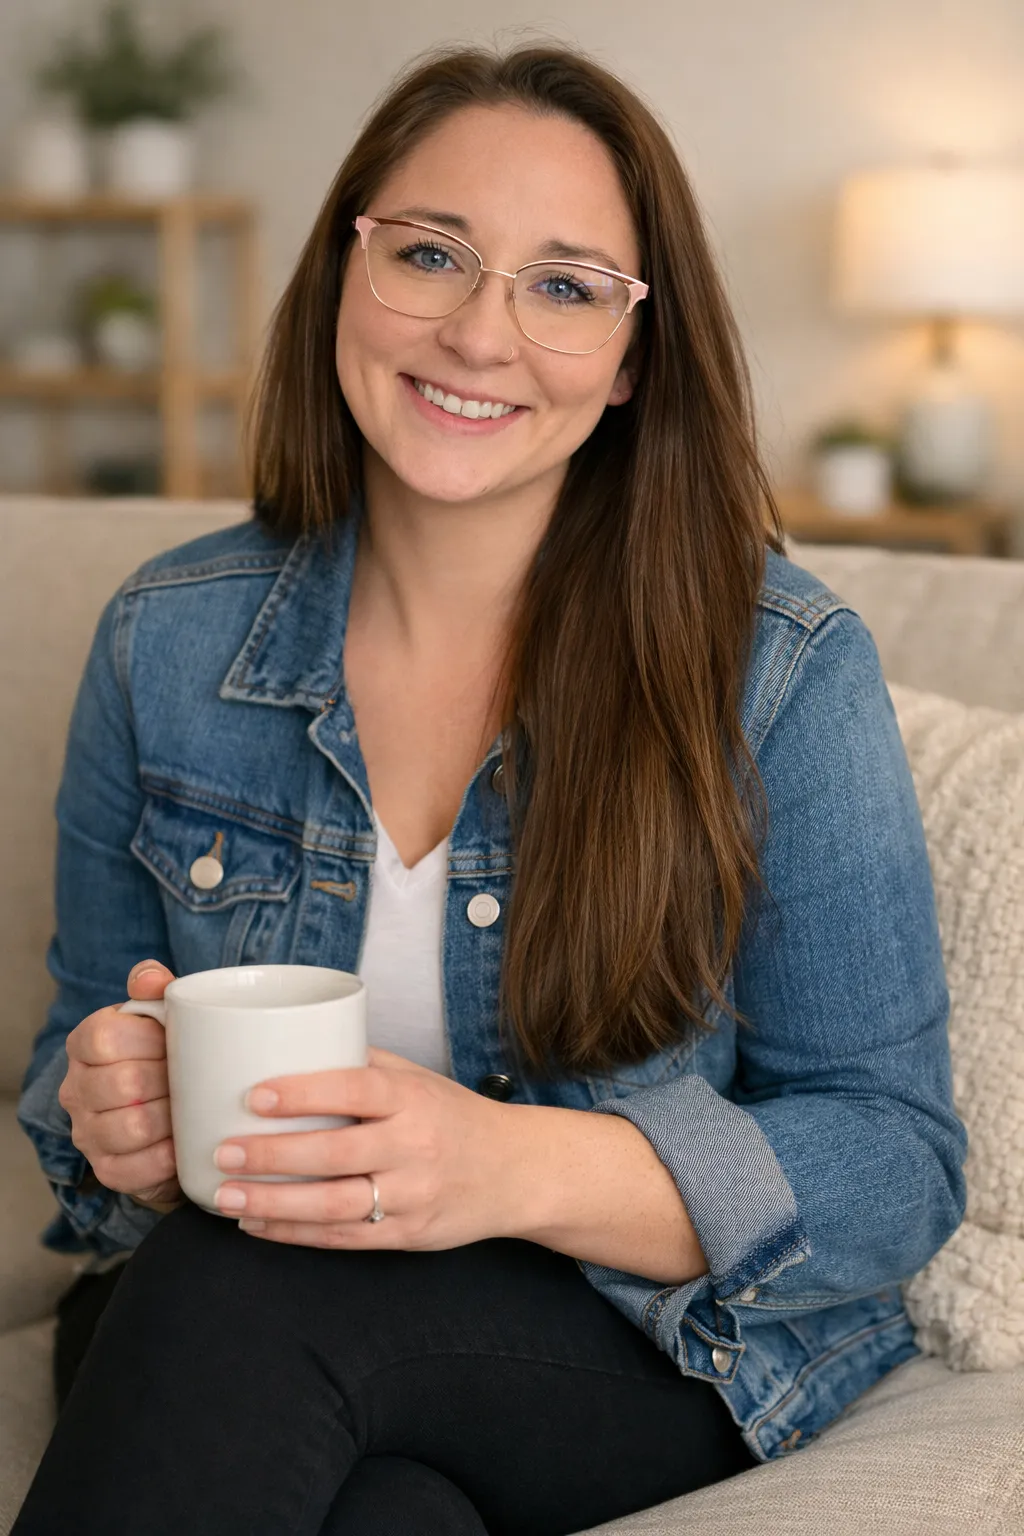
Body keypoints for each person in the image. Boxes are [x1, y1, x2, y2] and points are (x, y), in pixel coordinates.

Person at [14, 41, 966, 1536]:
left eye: (566, 285)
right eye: (432, 255)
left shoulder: (776, 670)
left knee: (242, 1286)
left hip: (618, 1342)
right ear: (348, 268)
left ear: (635, 355)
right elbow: (80, 1047)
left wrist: (502, 1167)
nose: (478, 333)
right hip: (236, 1327)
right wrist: (112, 1119)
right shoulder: (168, 637)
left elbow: (891, 1160)